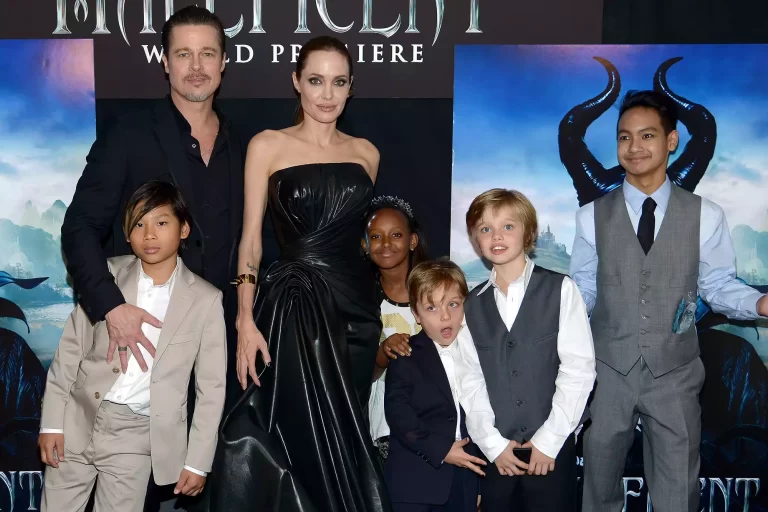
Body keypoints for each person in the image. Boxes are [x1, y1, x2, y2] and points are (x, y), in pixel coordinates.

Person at [204, 36, 388, 512]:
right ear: (296, 83)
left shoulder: (367, 154)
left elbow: (356, 241)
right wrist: (245, 320)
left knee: (348, 438)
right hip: (294, 308)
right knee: (295, 438)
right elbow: (251, 241)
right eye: (316, 80)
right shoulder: (268, 145)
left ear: (351, 88)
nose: (327, 94)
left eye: (338, 82)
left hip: (357, 315)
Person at [59, 6, 276, 400]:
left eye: (207, 54)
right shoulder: (128, 135)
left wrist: (247, 319)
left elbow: (256, 242)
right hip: (144, 341)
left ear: (223, 62)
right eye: (183, 54)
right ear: (165, 62)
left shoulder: (246, 145)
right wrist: (112, 307)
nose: (196, 67)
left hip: (225, 349)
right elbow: (79, 227)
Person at [571, 90, 768, 512]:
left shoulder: (707, 214)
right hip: (606, 374)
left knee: (679, 496)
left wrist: (760, 305)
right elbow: (583, 289)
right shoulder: (590, 216)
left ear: (671, 140)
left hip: (675, 375)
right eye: (624, 137)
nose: (634, 147)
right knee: (597, 491)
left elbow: (717, 285)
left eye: (647, 135)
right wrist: (548, 316)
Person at [38, 181, 227, 512]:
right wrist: (52, 423)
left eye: (161, 222)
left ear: (184, 229)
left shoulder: (206, 300)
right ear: (126, 233)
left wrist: (198, 461)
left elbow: (211, 388)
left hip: (138, 435)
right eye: (139, 224)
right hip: (77, 420)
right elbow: (69, 353)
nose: (149, 234)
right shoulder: (104, 277)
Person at [456, 188, 596, 511]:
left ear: (529, 233)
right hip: (497, 456)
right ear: (476, 240)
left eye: (508, 226)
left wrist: (549, 441)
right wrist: (493, 445)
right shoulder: (471, 305)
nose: (497, 236)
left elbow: (578, 370)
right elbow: (470, 380)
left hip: (551, 452)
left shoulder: (561, 290)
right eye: (485, 229)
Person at [384, 260, 485, 512]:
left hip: (464, 480)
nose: (445, 316)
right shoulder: (405, 354)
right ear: (416, 315)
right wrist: (441, 450)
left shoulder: (477, 354)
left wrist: (479, 485)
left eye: (453, 304)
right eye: (431, 307)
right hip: (415, 482)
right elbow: (399, 414)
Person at [362, 195, 427, 464]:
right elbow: (357, 375)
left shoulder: (437, 291)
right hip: (384, 427)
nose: (386, 244)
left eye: (396, 234)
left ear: (412, 240)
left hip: (435, 420)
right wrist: (383, 352)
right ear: (364, 244)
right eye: (376, 237)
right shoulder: (359, 300)